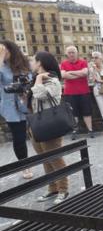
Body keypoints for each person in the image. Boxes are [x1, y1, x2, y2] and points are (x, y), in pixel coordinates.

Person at [30, 51, 70, 204]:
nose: (32, 63)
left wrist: (39, 78)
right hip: (37, 124)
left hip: (50, 125)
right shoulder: (35, 80)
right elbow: (32, 101)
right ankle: (52, 188)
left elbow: (40, 95)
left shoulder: (52, 81)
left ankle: (63, 190)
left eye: (33, 60)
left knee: (55, 158)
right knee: (45, 159)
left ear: (40, 62)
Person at [0, 40, 32, 179]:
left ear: (11, 50)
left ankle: (49, 161)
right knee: (19, 138)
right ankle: (24, 166)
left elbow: (30, 79)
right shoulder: (1, 66)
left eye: (3, 50)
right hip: (10, 107)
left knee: (38, 134)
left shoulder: (24, 64)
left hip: (27, 104)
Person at [60, 46, 94, 139]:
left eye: (73, 52)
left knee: (87, 112)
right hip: (69, 93)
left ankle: (90, 130)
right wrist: (79, 74)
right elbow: (63, 75)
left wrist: (70, 72)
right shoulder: (63, 63)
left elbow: (85, 73)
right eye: (69, 52)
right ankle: (74, 130)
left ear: (77, 53)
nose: (71, 54)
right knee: (72, 113)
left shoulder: (83, 62)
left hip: (84, 91)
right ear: (66, 54)